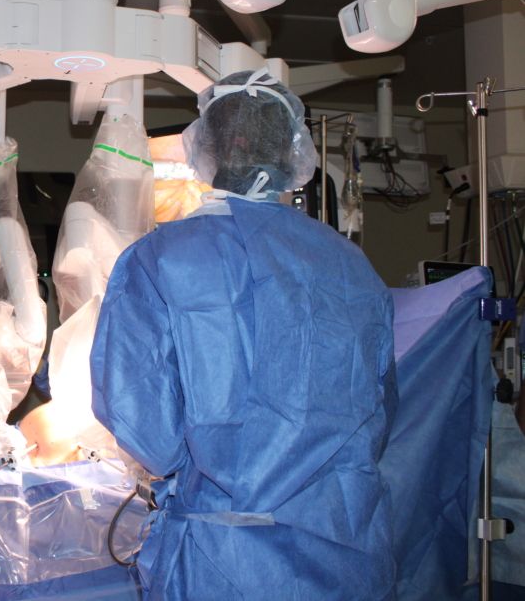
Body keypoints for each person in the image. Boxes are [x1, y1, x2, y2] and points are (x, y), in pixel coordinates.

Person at [90, 69, 399, 600]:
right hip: (347, 550)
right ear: (290, 151)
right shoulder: (350, 264)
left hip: (224, 559)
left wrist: (204, 471)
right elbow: (381, 406)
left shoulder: (159, 258)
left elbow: (140, 420)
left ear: (209, 147)